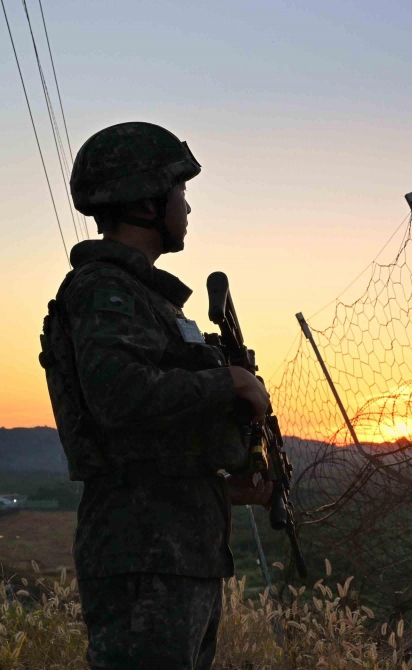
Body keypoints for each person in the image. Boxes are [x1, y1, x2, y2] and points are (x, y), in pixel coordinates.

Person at [40, 121, 273, 670]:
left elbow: (159, 434)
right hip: (144, 556)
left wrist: (225, 480)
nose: (187, 207)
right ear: (147, 200)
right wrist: (232, 382)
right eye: (180, 192)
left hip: (179, 552)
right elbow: (120, 397)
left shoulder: (149, 299)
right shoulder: (103, 289)